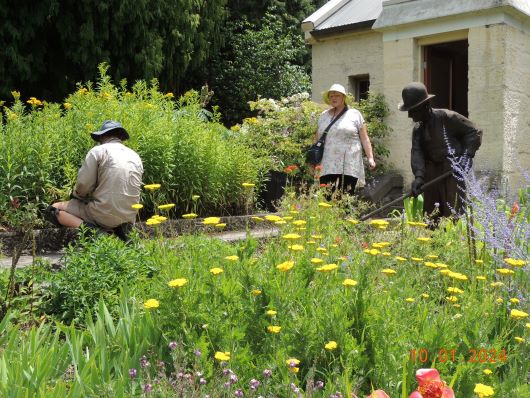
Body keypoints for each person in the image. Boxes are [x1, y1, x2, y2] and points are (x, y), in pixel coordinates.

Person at [44, 120, 144, 240]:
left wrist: (76, 196)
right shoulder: (135, 155)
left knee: (53, 209)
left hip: (103, 213)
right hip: (129, 216)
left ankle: (98, 235)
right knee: (103, 208)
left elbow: (83, 186)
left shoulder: (98, 151)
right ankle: (118, 233)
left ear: (102, 136)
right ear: (121, 137)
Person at [399, 82, 482, 223]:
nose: (410, 115)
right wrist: (419, 176)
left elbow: (474, 132)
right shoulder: (418, 129)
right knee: (431, 213)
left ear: (425, 106)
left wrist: (467, 155)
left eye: (412, 110)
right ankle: (434, 242)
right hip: (431, 172)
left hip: (451, 170)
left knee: (453, 210)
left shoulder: (447, 117)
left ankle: (455, 240)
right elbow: (417, 152)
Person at [315, 83, 376, 197]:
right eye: (331, 96)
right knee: (327, 197)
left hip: (348, 164)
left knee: (345, 198)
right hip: (327, 164)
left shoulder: (354, 114)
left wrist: (370, 158)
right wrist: (313, 160)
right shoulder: (323, 116)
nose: (333, 98)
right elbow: (317, 139)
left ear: (343, 97)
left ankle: (346, 215)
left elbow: (365, 138)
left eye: (337, 95)